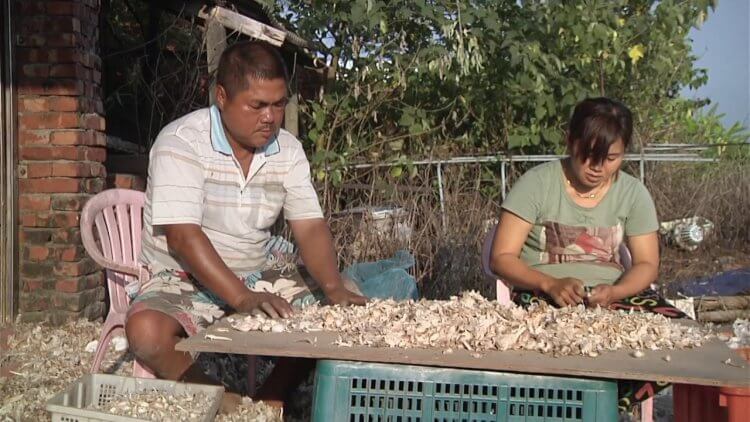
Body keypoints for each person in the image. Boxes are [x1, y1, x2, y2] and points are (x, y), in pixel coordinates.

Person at [124, 40, 366, 410]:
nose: (270, 117)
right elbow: (183, 238)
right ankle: (224, 401)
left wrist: (332, 287)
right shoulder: (182, 142)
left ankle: (271, 397)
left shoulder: (287, 149)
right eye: (257, 105)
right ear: (221, 96)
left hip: (257, 270)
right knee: (146, 333)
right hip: (183, 276)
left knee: (343, 306)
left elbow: (310, 226)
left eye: (279, 104)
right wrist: (241, 298)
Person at [489, 97, 686, 411]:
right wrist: (548, 284)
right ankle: (566, 409)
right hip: (541, 293)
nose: (597, 168)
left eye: (610, 158)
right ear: (570, 141)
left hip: (612, 295)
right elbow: (501, 257)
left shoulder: (633, 194)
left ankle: (600, 409)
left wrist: (616, 291)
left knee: (684, 339)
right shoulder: (536, 184)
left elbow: (647, 263)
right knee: (552, 343)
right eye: (588, 155)